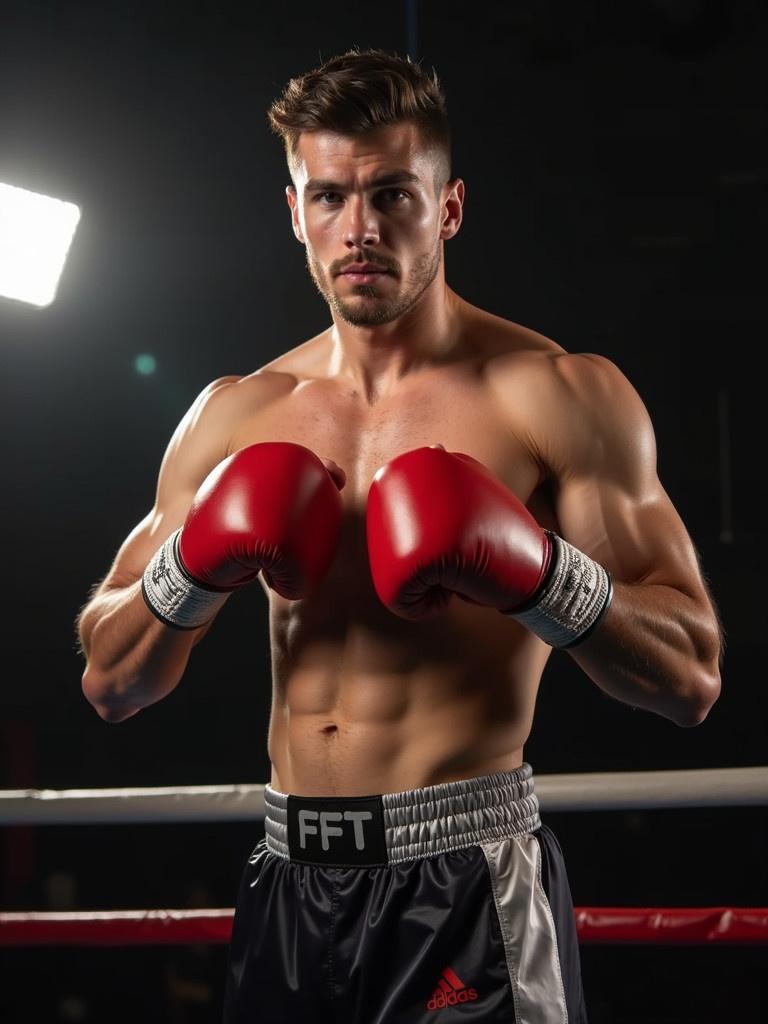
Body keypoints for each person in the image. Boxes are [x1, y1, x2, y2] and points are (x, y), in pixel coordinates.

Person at [76, 47, 723, 1023]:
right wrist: (195, 562)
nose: (360, 228)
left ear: (449, 207)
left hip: (465, 885)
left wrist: (538, 573)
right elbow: (112, 678)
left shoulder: (556, 396)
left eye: (392, 195)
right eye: (330, 196)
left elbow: (690, 677)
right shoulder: (236, 414)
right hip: (288, 881)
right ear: (294, 211)